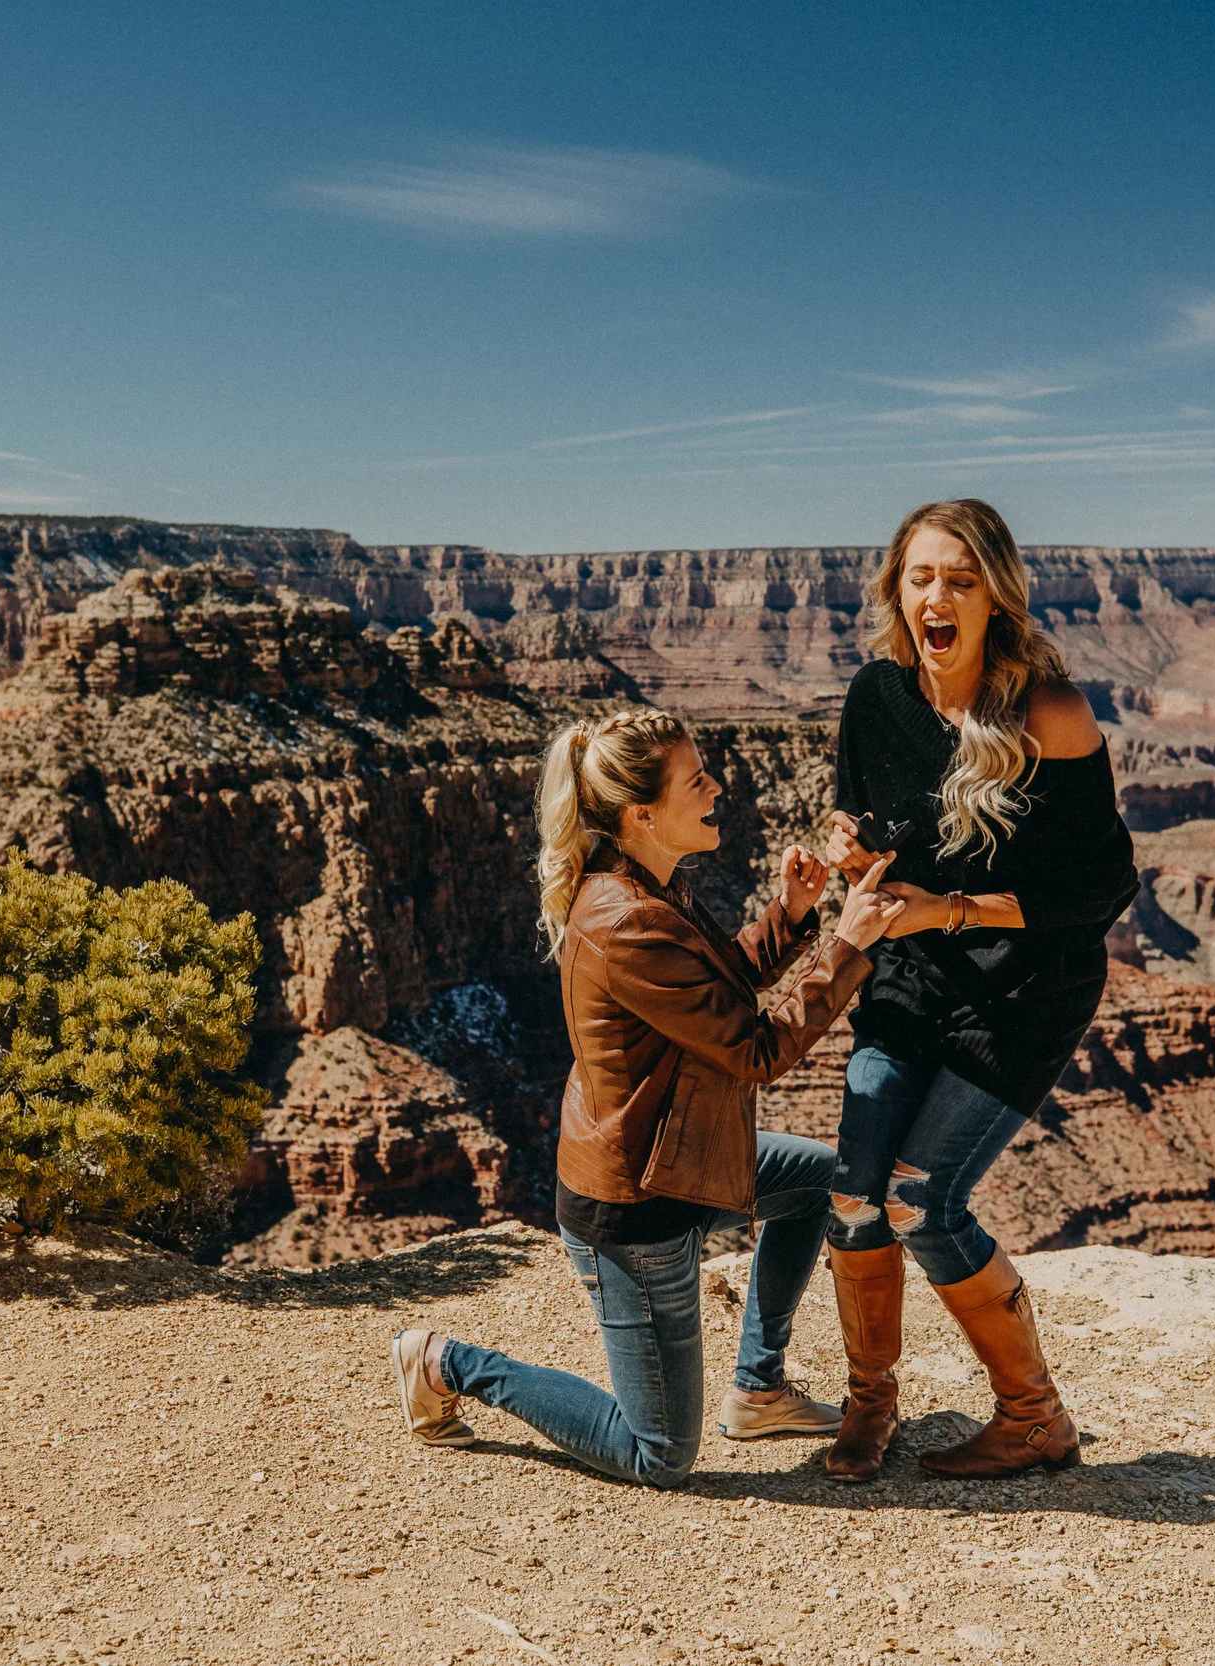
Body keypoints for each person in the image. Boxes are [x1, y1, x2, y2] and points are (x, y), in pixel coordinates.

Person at [387, 706, 906, 1488]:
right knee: (658, 1455)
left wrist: (791, 915)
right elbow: (756, 1052)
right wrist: (846, 946)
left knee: (817, 1183)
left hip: (680, 1157)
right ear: (642, 813)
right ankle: (446, 1362)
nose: (716, 788)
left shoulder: (647, 885)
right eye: (696, 781)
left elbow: (715, 993)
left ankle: (758, 1389)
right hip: (636, 1206)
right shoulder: (628, 919)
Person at [817, 498, 1141, 1482]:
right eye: (920, 577)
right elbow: (868, 825)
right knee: (852, 1198)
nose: (937, 596)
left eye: (960, 579)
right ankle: (870, 1404)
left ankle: (1034, 1418)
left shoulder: (1049, 713)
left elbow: (1101, 887)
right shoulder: (876, 694)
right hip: (909, 976)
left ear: (996, 596)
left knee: (920, 1201)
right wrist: (851, 852)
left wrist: (949, 909)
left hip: (1024, 990)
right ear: (896, 590)